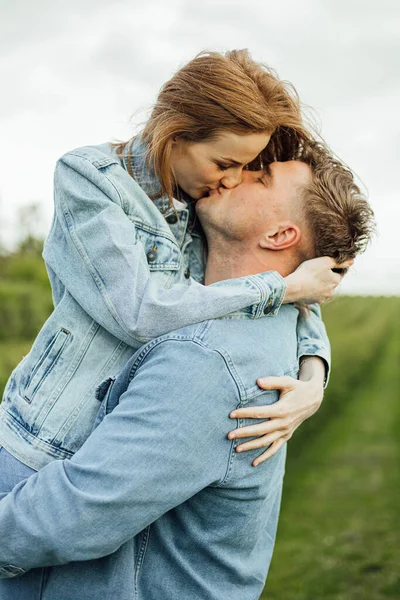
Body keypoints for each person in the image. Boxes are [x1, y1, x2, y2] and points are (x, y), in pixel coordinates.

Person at [0, 145, 375, 600]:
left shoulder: (207, 363)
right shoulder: (273, 320)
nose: (236, 177)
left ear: (279, 235)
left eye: (259, 177)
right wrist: (316, 374)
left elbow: (77, 513)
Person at [0, 49, 341, 479]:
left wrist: (312, 382)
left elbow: (301, 295)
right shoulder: (91, 180)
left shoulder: (202, 203)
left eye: (244, 167)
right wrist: (279, 287)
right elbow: (140, 312)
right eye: (225, 163)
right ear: (175, 134)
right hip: (37, 444)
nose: (233, 180)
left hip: (115, 455)